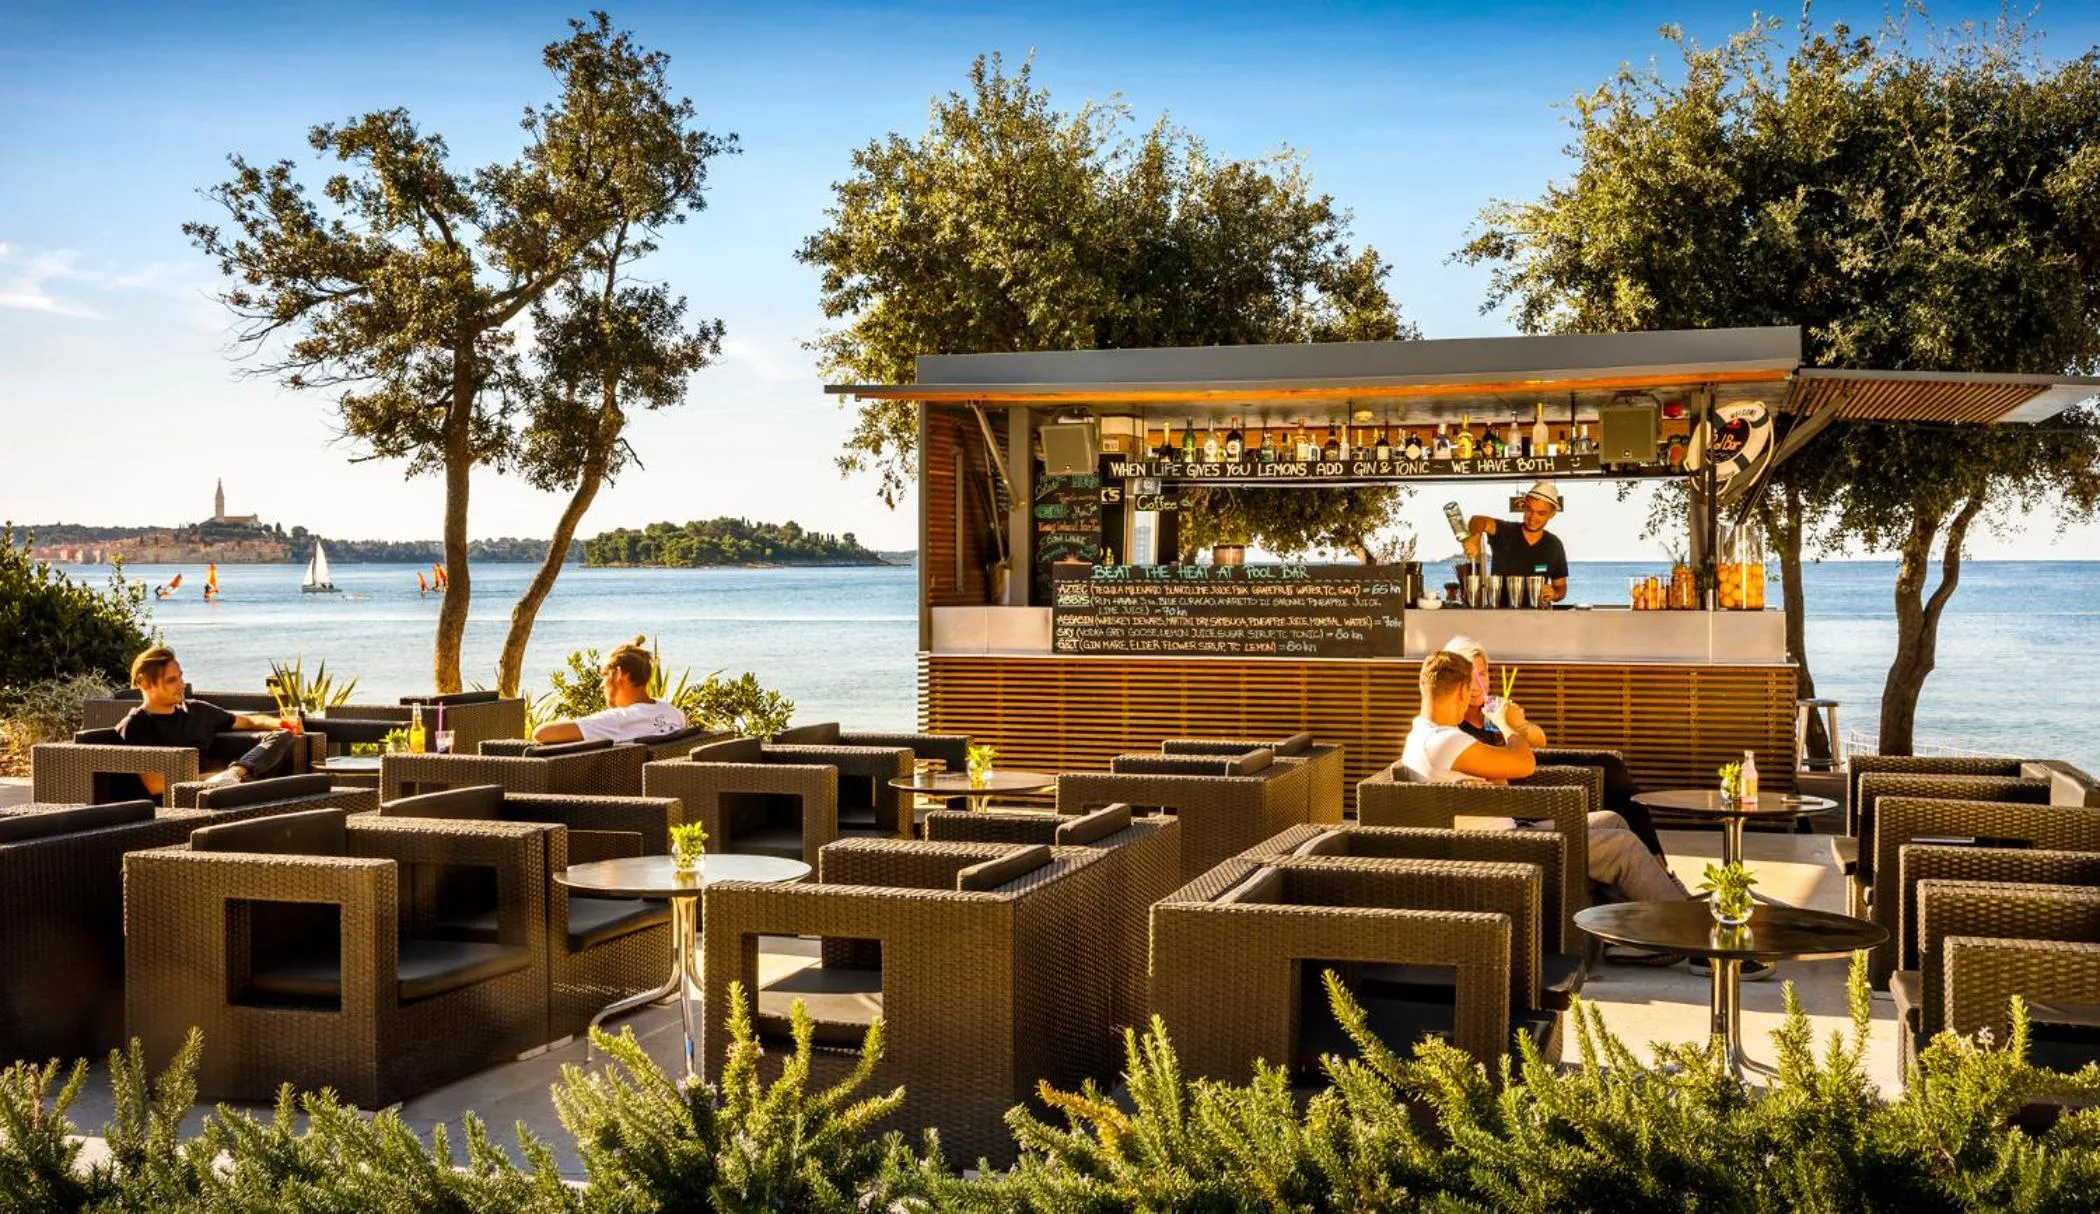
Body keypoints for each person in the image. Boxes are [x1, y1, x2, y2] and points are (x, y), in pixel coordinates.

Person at [1400, 650, 1688, 907]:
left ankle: (1633, 920)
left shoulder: (1420, 735)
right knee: (1623, 847)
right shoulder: (1445, 741)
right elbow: (1524, 764)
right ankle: (1687, 932)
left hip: (1495, 833)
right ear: (1463, 691)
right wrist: (1506, 724)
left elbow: (1498, 777)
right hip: (1501, 847)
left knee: (1611, 819)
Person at [1440, 634, 1666, 859]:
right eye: (1469, 678)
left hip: (1524, 766)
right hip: (1513, 779)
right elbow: (1496, 776)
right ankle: (1649, 864)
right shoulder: (1455, 725)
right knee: (1608, 789)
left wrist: (1520, 725)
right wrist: (1504, 725)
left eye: (1482, 674)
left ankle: (1655, 859)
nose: (1477, 685)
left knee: (1611, 766)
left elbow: (1540, 740)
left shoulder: (1492, 706)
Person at [115, 646, 297, 797]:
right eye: (172, 680)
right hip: (183, 798)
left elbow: (249, 722)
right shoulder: (137, 724)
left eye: (180, 676)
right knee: (278, 789)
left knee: (283, 737)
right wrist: (214, 778)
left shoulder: (197, 711)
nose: (181, 685)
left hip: (229, 784)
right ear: (144, 683)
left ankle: (238, 773)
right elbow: (156, 784)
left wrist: (284, 723)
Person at [531, 636, 691, 744]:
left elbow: (542, 733)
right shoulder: (675, 714)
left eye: (604, 676)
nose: (602, 685)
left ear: (620, 674)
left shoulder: (617, 721)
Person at [1464, 480, 1568, 604]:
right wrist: (1475, 537)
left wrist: (1555, 594)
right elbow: (1478, 520)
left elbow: (1561, 587)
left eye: (1541, 513)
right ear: (1524, 507)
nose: (1532, 517)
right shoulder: (1505, 531)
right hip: (1500, 614)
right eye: (1529, 510)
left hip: (1538, 617)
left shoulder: (1554, 545)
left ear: (1552, 515)